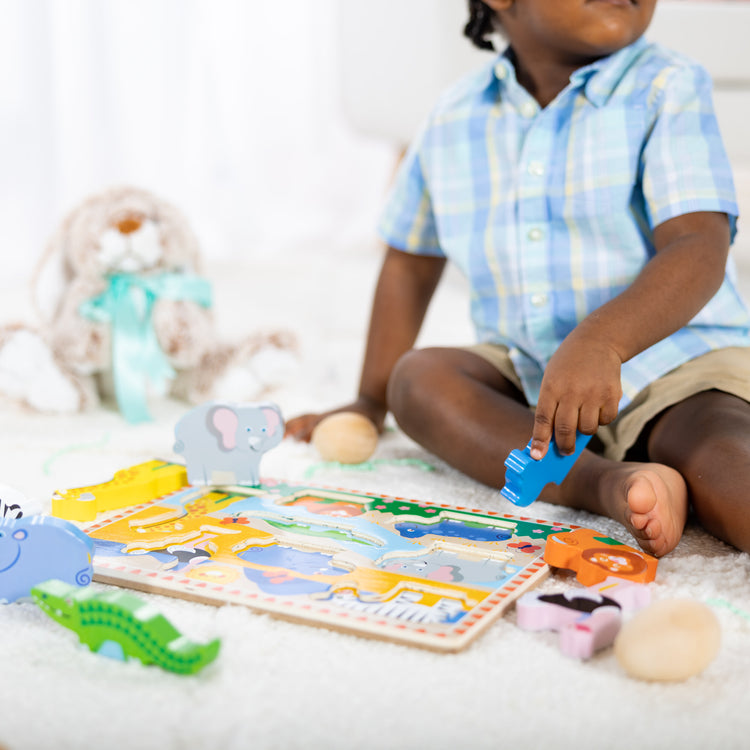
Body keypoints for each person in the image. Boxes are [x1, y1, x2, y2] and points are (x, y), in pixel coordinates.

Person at [287, 0, 750, 558]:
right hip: (532, 376)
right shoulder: (452, 117)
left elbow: (697, 244)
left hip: (680, 366)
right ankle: (603, 483)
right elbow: (410, 260)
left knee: (726, 460)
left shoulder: (667, 86)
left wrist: (601, 341)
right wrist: (368, 398)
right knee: (419, 380)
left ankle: (679, 459)